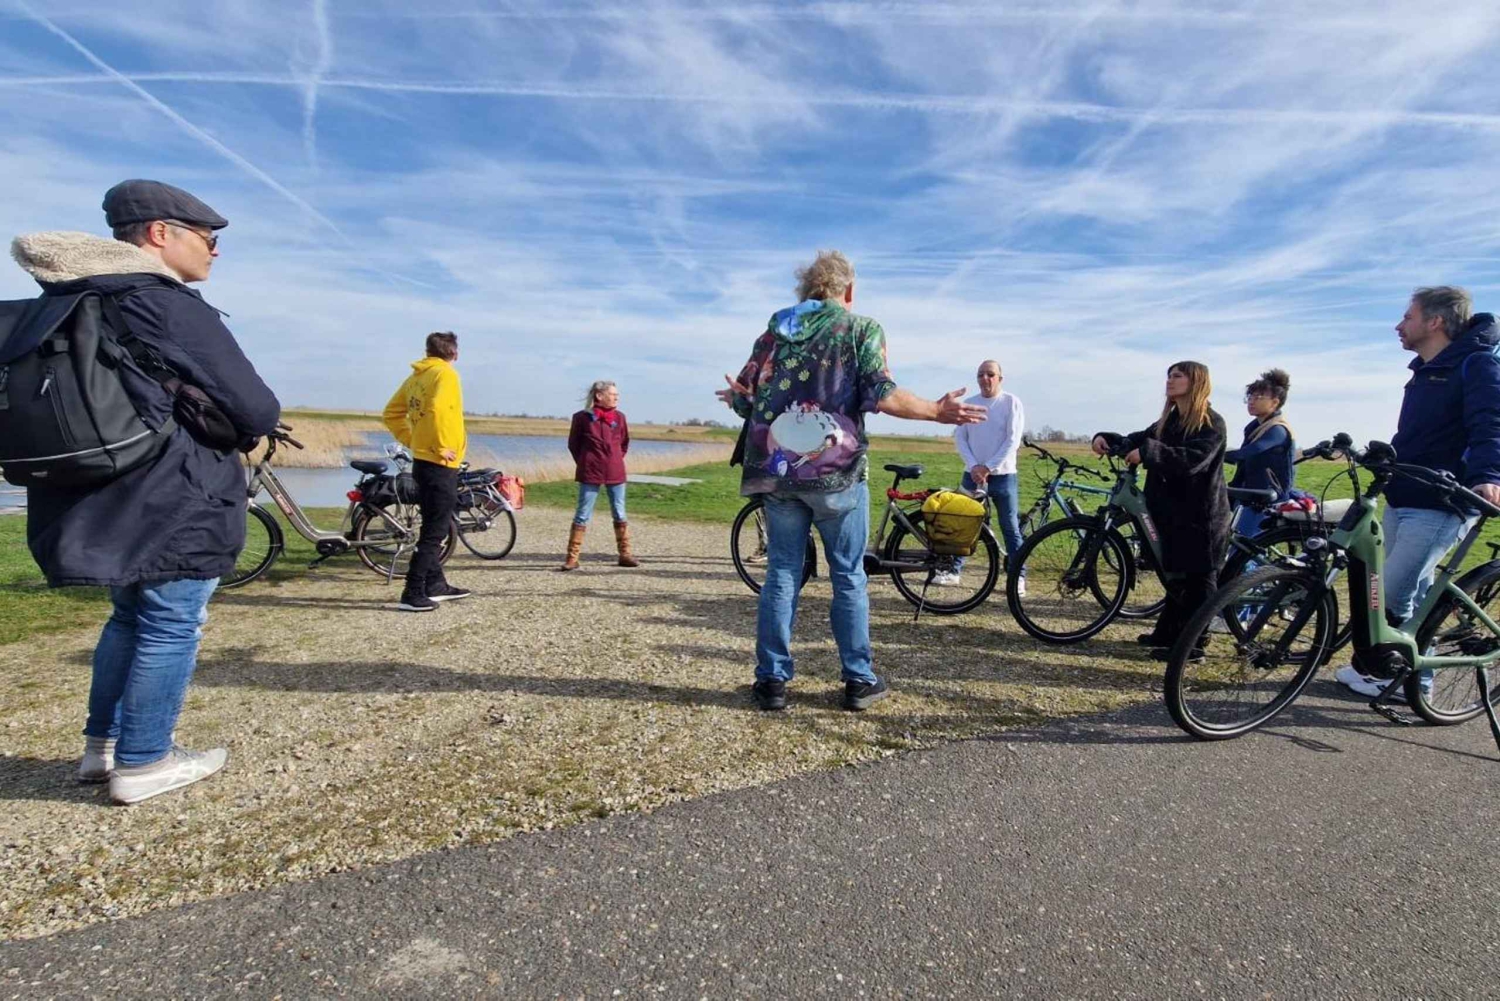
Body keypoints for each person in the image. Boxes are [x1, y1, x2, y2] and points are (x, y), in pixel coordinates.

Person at [10, 179, 281, 804]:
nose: (215, 251)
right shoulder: (160, 300)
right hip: (176, 493)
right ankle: (146, 759)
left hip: (110, 488)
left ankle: (101, 747)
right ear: (161, 233)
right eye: (208, 239)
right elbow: (256, 407)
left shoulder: (75, 298)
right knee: (171, 623)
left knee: (129, 616)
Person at [716, 250, 986, 712]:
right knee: (848, 576)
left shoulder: (772, 334)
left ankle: (772, 682)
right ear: (849, 290)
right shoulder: (861, 329)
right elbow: (881, 393)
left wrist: (738, 400)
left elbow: (747, 401)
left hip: (778, 475)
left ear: (806, 290)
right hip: (835, 474)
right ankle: (858, 680)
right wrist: (936, 412)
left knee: (782, 573)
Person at [1333, 287, 1500, 699]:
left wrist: (1489, 475)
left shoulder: (1476, 364)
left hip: (1443, 503)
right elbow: (1422, 435)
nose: (1398, 325)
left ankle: (1401, 677)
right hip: (1406, 495)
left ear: (1435, 321)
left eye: (1407, 317)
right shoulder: (1426, 370)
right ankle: (1405, 677)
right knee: (1416, 594)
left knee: (1389, 592)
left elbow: (1491, 423)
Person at [1092, 361, 1230, 659]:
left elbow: (1192, 459)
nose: (1170, 380)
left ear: (1196, 382)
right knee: (1176, 576)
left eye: (1178, 376)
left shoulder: (1211, 422)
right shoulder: (1170, 420)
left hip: (1200, 516)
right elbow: (1140, 438)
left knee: (1198, 579)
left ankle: (1193, 646)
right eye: (1169, 375)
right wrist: (1107, 439)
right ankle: (1168, 633)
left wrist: (1149, 453)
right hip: (1171, 513)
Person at [382, 331, 471, 612]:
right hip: (439, 462)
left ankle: (435, 584)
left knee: (435, 522)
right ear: (454, 353)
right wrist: (441, 446)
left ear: (428, 351)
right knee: (436, 529)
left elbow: (391, 413)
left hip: (423, 460)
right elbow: (439, 411)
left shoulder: (417, 376)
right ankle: (413, 590)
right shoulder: (445, 375)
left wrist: (413, 441)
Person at [936, 359, 1025, 593]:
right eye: (981, 375)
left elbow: (1012, 440)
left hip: (1003, 476)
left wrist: (989, 467)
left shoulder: (1011, 403)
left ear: (999, 378)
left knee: (1010, 527)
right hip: (972, 476)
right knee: (965, 524)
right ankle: (953, 570)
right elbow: (961, 438)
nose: (985, 379)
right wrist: (974, 466)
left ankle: (1018, 577)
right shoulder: (970, 404)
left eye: (990, 374)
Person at [562, 380, 640, 570]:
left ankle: (625, 554)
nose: (617, 397)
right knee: (582, 514)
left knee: (619, 512)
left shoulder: (620, 418)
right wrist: (587, 461)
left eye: (617, 394)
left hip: (615, 471)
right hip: (590, 471)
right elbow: (574, 445)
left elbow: (624, 443)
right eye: (613, 394)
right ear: (599, 396)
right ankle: (572, 558)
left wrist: (613, 458)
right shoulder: (581, 418)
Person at [1225, 368, 1296, 538]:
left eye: (1258, 397)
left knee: (1245, 545)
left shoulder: (1278, 429)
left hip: (1267, 499)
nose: (1251, 401)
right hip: (1249, 494)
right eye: (1250, 397)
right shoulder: (1255, 426)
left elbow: (1251, 452)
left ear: (1274, 402)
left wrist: (1214, 454)